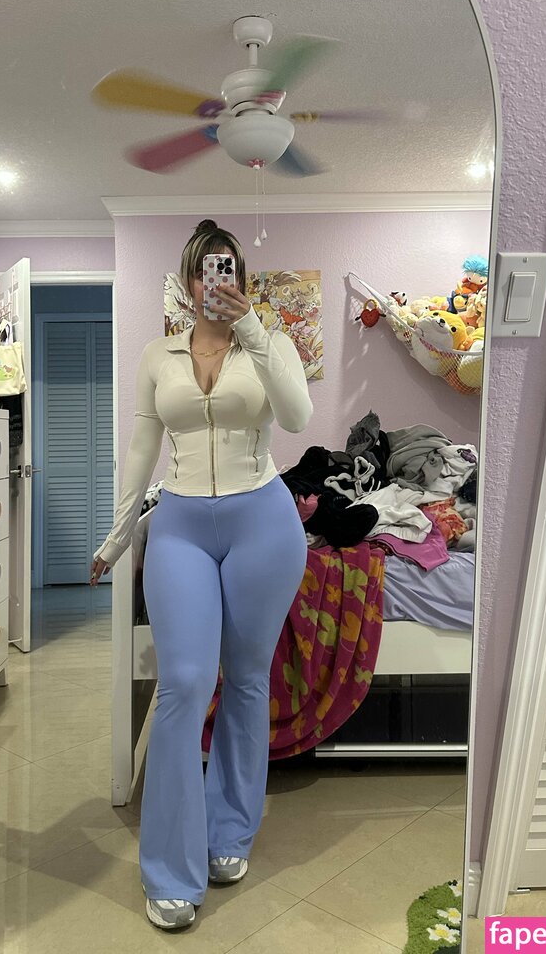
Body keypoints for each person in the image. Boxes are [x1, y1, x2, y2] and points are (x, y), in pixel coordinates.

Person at [90, 219, 312, 930]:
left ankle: (229, 833)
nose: (218, 281)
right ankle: (169, 869)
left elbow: (298, 417)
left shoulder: (270, 342)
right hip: (181, 522)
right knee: (183, 683)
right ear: (189, 281)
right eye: (206, 270)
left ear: (241, 279)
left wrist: (253, 330)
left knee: (246, 680)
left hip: (263, 523)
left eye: (229, 269)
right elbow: (140, 448)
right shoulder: (158, 355)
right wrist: (118, 535)